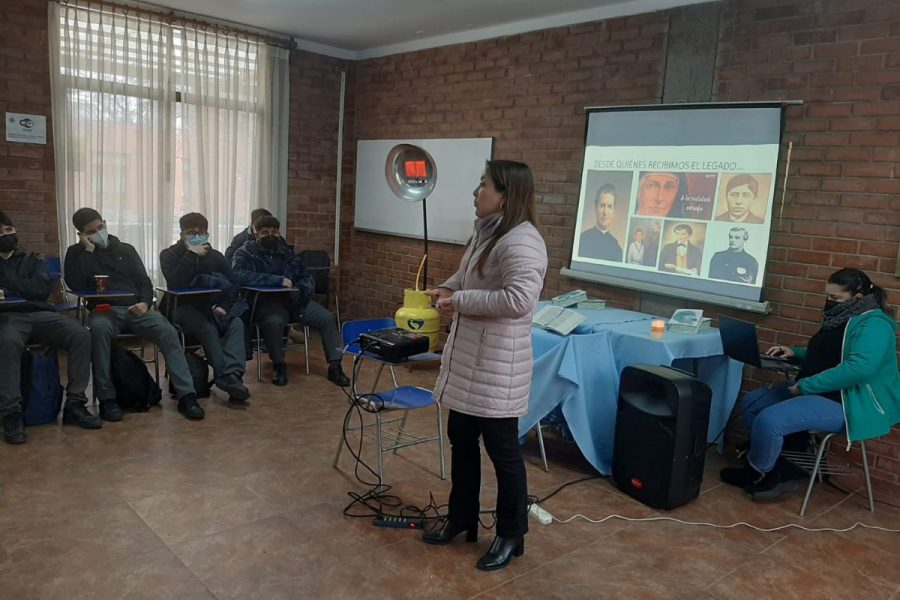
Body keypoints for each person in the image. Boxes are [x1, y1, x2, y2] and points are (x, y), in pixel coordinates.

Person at [421, 160, 548, 572]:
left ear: (506, 195)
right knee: (461, 438)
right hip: (469, 364)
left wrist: (458, 302)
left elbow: (518, 301)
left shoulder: (522, 241)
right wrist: (446, 288)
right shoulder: (485, 233)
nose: (477, 192)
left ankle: (512, 534)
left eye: (484, 185)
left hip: (497, 368)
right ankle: (462, 518)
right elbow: (466, 277)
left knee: (504, 454)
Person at [720, 268, 900, 500]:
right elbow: (831, 354)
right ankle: (779, 466)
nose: (830, 302)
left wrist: (807, 386)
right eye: (828, 296)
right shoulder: (844, 315)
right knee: (752, 402)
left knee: (770, 419)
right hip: (822, 387)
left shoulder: (874, 325)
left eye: (836, 298)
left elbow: (859, 368)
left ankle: (761, 475)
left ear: (857, 297)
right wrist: (795, 353)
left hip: (849, 400)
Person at [64, 208, 204, 420]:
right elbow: (75, 283)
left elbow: (143, 281)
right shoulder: (76, 253)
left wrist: (145, 303)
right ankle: (107, 399)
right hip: (104, 311)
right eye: (91, 231)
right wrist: (88, 251)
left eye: (100, 227)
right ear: (82, 235)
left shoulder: (126, 249)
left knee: (167, 331)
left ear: (105, 222)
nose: (98, 232)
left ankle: (187, 395)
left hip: (136, 308)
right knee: (98, 332)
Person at [0, 211, 101, 443]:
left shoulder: (33, 258)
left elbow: (41, 291)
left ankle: (75, 404)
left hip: (41, 313)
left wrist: (7, 286)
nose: (6, 236)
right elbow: (32, 287)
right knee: (7, 342)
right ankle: (11, 413)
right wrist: (23, 286)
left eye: (8, 230)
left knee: (80, 335)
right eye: (1, 233)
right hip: (8, 318)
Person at [231, 215, 349, 387]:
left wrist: (300, 290)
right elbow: (238, 275)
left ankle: (335, 366)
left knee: (327, 318)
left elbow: (306, 277)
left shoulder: (286, 253)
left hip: (294, 300)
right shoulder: (245, 252)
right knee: (274, 322)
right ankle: (279, 366)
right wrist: (276, 280)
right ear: (256, 235)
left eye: (274, 232)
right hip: (265, 303)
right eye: (265, 233)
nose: (271, 235)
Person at [160, 212, 251, 404]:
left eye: (201, 232)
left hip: (213, 307)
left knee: (236, 324)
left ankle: (233, 375)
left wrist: (224, 307)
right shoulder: (168, 255)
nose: (197, 235)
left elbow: (233, 285)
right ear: (182, 233)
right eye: (191, 232)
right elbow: (176, 283)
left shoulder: (216, 256)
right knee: (207, 328)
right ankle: (225, 377)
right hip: (181, 309)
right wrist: (191, 254)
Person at [578, 184, 622, 261]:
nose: (605, 212)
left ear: (614, 212)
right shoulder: (582, 240)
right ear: (595, 207)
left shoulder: (617, 249)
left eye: (609, 206)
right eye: (602, 205)